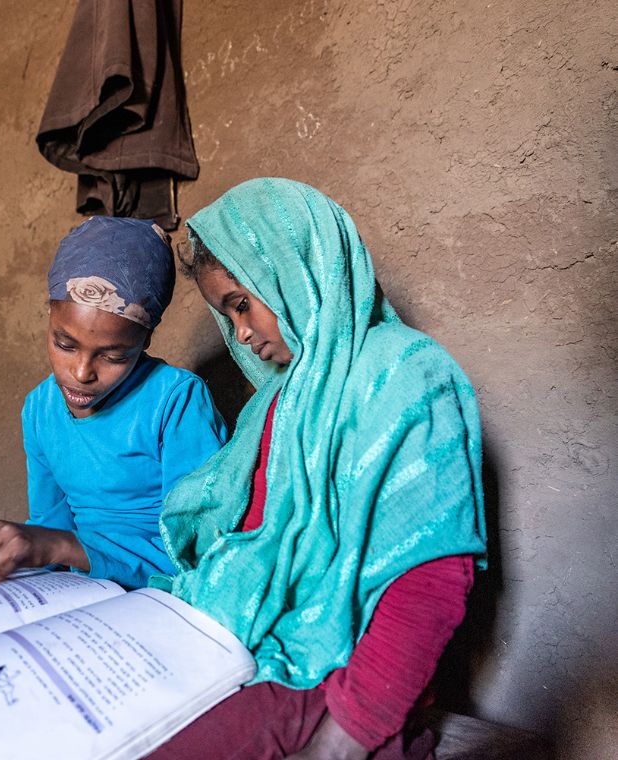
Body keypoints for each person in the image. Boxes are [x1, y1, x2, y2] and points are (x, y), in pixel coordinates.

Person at [0, 216, 227, 759]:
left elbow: (203, 554)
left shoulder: (176, 400)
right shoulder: (40, 409)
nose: (81, 371)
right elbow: (47, 536)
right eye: (64, 343)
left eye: (113, 355)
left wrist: (56, 546)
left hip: (159, 602)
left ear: (146, 339)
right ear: (48, 320)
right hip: (77, 592)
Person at [144, 178, 487, 759]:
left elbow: (428, 578)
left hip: (321, 669)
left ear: (298, 267)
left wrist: (344, 739)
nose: (242, 334)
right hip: (243, 643)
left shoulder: (406, 375)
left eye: (242, 303)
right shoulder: (277, 403)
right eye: (227, 316)